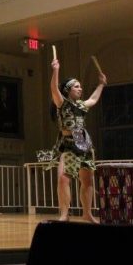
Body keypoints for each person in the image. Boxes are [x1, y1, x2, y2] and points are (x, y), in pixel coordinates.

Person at [48, 58, 107, 222]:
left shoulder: (81, 105)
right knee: (63, 179)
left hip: (84, 143)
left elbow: (93, 99)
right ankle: (64, 214)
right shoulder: (62, 103)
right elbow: (54, 88)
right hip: (68, 144)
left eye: (81, 86)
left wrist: (101, 84)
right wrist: (56, 70)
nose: (80, 88)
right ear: (68, 90)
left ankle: (87, 213)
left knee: (87, 180)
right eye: (76, 86)